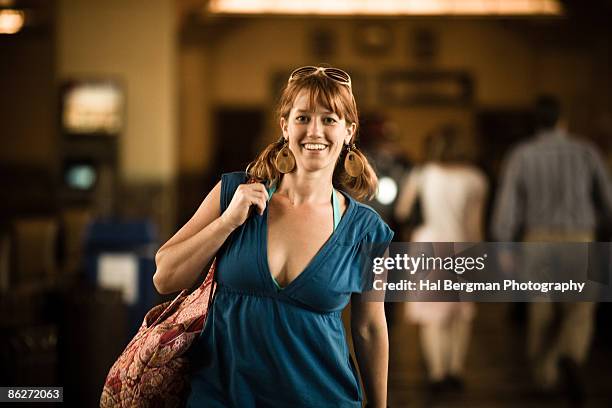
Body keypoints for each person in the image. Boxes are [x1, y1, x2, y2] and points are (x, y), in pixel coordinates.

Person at [153, 66, 394, 407]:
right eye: (303, 117)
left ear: (349, 131)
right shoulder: (233, 193)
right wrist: (227, 223)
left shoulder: (366, 230)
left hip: (324, 398)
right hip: (222, 398)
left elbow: (369, 329)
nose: (315, 131)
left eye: (329, 119)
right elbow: (164, 276)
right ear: (285, 125)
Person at [492, 95, 612, 404]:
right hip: (581, 239)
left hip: (537, 241)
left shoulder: (521, 154)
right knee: (580, 309)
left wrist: (504, 244)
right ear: (562, 120)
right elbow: (607, 199)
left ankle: (546, 378)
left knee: (541, 309)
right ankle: (570, 354)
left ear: (536, 122)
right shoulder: (586, 151)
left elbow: (508, 205)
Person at [394, 125, 488, 394]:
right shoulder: (476, 178)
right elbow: (476, 224)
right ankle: (455, 370)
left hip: (428, 246)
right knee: (461, 316)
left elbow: (402, 210)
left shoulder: (424, 174)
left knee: (433, 317)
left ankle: (436, 373)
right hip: (464, 247)